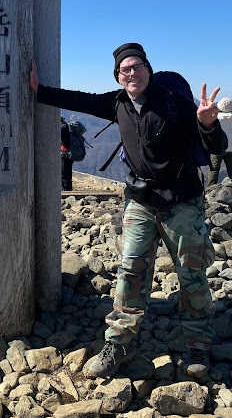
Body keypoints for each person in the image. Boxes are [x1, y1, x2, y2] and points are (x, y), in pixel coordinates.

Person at [30, 42, 227, 379]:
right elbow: (78, 99)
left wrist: (208, 124)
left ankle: (199, 344)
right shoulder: (117, 103)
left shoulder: (173, 100)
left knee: (191, 273)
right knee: (130, 270)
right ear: (118, 76)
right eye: (125, 69)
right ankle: (119, 343)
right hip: (140, 200)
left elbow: (215, 148)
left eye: (137, 66)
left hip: (182, 200)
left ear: (148, 70)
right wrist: (38, 91)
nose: (132, 73)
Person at [207, 97, 232, 186]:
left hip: (218, 148)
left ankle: (210, 191)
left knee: (214, 170)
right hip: (231, 149)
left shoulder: (215, 118)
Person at [61, 115, 73, 191]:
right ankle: (68, 187)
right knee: (68, 171)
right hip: (70, 153)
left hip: (65, 152)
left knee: (63, 171)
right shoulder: (67, 127)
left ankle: (65, 188)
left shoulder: (62, 128)